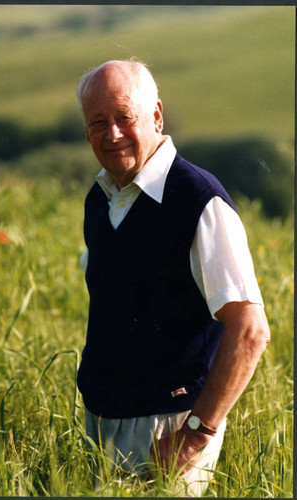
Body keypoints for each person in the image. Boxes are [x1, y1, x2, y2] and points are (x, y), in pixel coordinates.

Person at [75, 59, 270, 495]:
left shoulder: (199, 201)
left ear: (157, 115)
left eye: (125, 117)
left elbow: (250, 331)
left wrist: (197, 433)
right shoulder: (101, 196)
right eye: (98, 122)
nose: (112, 134)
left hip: (171, 430)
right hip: (103, 422)